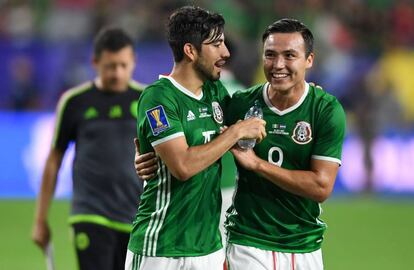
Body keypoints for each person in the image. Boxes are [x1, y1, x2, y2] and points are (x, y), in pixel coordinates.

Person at [136, 18, 346, 270]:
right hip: (246, 243)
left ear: (308, 60)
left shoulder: (324, 109)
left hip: (305, 244)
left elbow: (321, 187)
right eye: (270, 55)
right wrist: (146, 154)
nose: (278, 64)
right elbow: (179, 137)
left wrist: (257, 164)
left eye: (290, 55)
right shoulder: (240, 104)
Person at [125, 6, 266, 270]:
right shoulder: (159, 97)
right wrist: (235, 131)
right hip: (160, 248)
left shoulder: (215, 91)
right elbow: (182, 166)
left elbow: (262, 103)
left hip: (208, 249)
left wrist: (298, 90)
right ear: (190, 51)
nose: (226, 53)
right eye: (216, 44)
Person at [32, 27, 145, 270]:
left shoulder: (148, 100)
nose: (117, 73)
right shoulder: (75, 102)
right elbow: (54, 160)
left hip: (138, 218)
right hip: (90, 213)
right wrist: (40, 220)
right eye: (110, 66)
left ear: (134, 62)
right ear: (95, 62)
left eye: (124, 65)